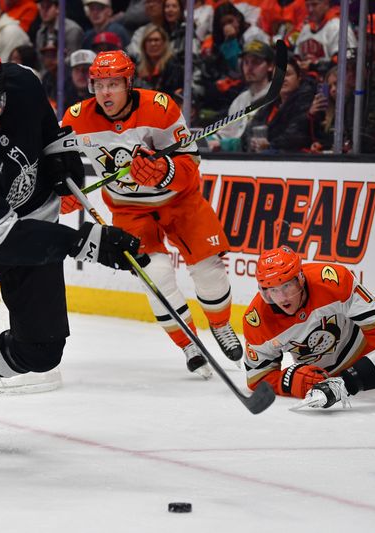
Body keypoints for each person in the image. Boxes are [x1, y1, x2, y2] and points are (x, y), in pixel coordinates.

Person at [0, 51, 147, 460]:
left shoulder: (23, 83)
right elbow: (2, 240)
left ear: (1, 101)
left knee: (42, 350)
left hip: (33, 217)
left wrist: (59, 155)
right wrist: (86, 241)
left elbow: (47, 129)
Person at [61, 50, 244, 378]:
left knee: (208, 270)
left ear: (128, 83)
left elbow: (191, 165)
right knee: (154, 276)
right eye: (99, 85)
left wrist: (165, 170)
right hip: (130, 209)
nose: (105, 93)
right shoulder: (76, 118)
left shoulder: (160, 108)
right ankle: (188, 343)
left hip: (180, 200)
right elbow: (56, 161)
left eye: (113, 84)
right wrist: (62, 189)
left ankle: (220, 325)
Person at [243, 246, 375, 409]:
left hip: (371, 349)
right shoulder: (257, 321)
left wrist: (366, 371)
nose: (282, 298)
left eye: (286, 286)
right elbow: (257, 377)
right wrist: (291, 381)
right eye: (273, 290)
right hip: (330, 377)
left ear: (300, 278)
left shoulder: (333, 281)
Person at [244, 55, 314, 153]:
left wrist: (270, 145)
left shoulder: (306, 100)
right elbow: (251, 129)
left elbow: (296, 135)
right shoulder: (269, 104)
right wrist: (252, 141)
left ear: (299, 78)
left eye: (288, 74)